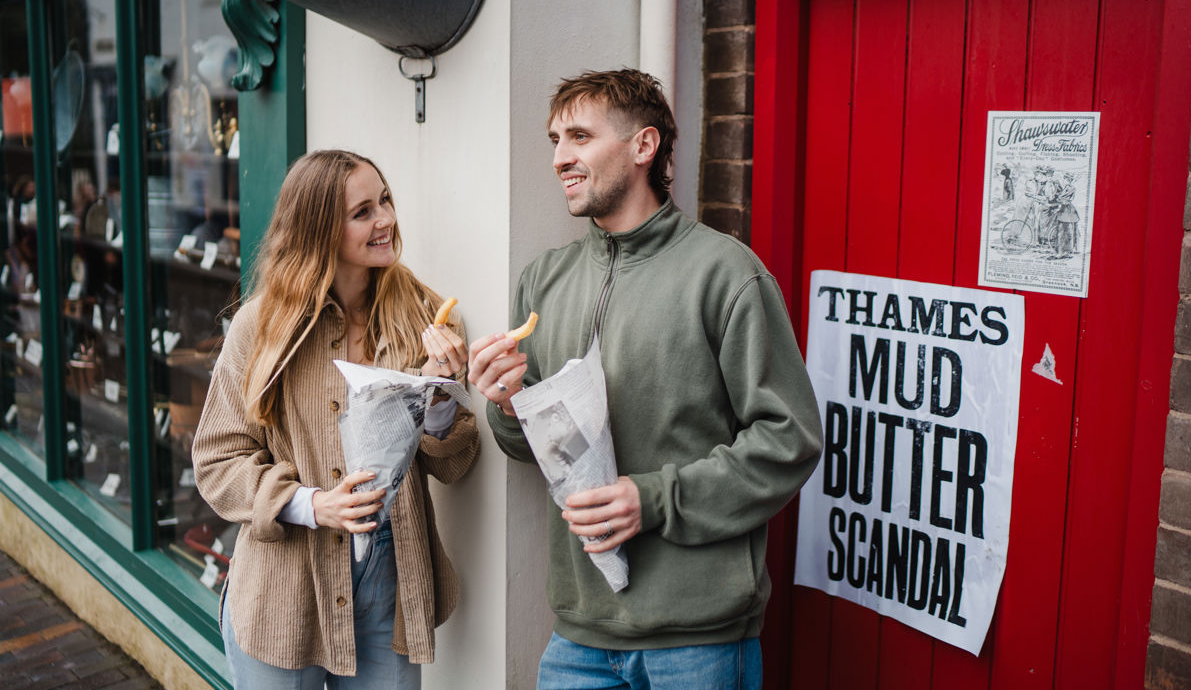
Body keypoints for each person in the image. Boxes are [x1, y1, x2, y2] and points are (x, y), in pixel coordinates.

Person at [467, 69, 822, 689]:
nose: (559, 158)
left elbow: (789, 440)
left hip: (698, 638)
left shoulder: (726, 273)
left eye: (579, 136)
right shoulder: (542, 280)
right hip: (578, 637)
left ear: (643, 146)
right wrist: (507, 404)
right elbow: (536, 451)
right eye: (554, 139)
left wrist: (653, 499)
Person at [193, 149, 479, 689]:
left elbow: (456, 462)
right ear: (320, 229)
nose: (387, 220)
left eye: (386, 200)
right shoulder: (261, 325)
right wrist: (313, 504)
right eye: (363, 211)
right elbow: (216, 460)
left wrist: (441, 397)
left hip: (388, 582)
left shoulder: (427, 316)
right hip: (284, 586)